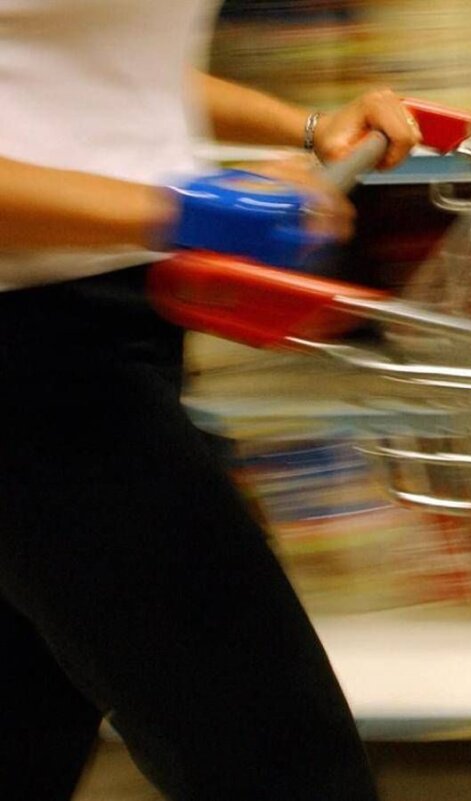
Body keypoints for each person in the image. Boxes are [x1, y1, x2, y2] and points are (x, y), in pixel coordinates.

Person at [0, 1, 420, 799]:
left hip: (108, 323)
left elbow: (82, 66)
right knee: (282, 763)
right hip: (36, 365)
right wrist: (188, 209)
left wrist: (305, 127)